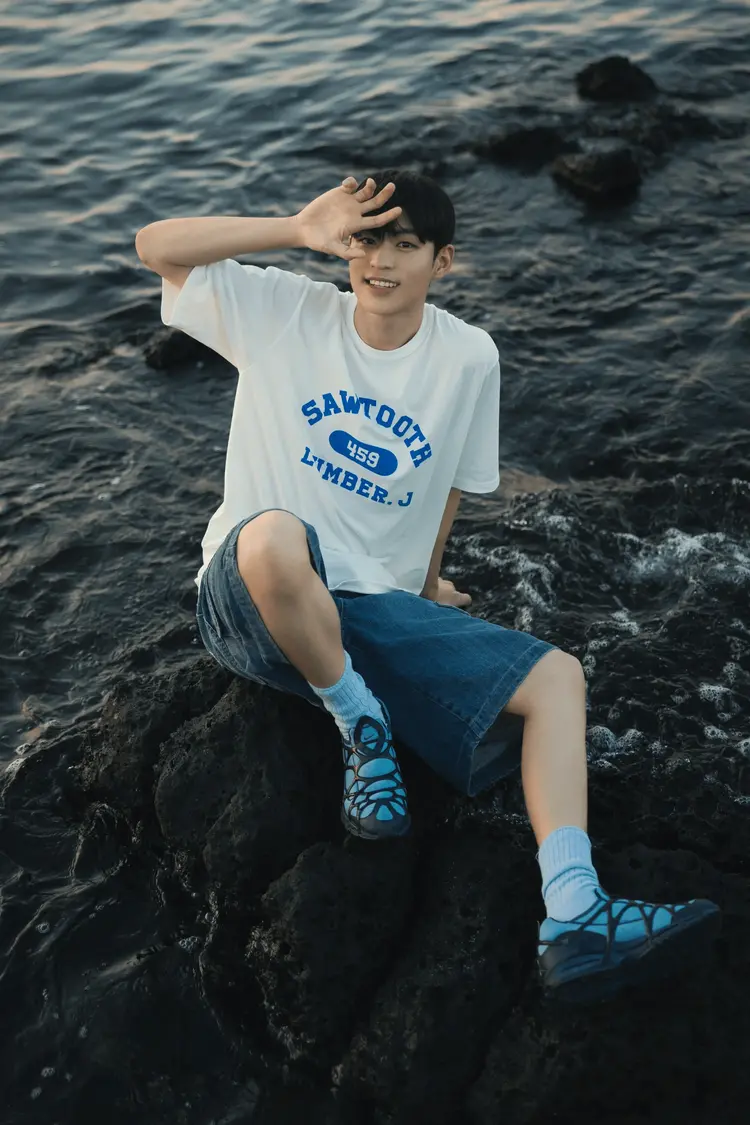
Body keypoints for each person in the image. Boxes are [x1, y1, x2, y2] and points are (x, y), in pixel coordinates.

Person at [135, 170, 721, 1004]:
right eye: (366, 239)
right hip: (251, 600)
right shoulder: (285, 312)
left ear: (442, 261)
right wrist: (297, 227)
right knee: (271, 536)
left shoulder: (467, 357)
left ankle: (575, 912)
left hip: (363, 610)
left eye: (404, 244)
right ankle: (360, 723)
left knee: (558, 678)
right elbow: (154, 246)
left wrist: (425, 583)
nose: (380, 260)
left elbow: (445, 486)